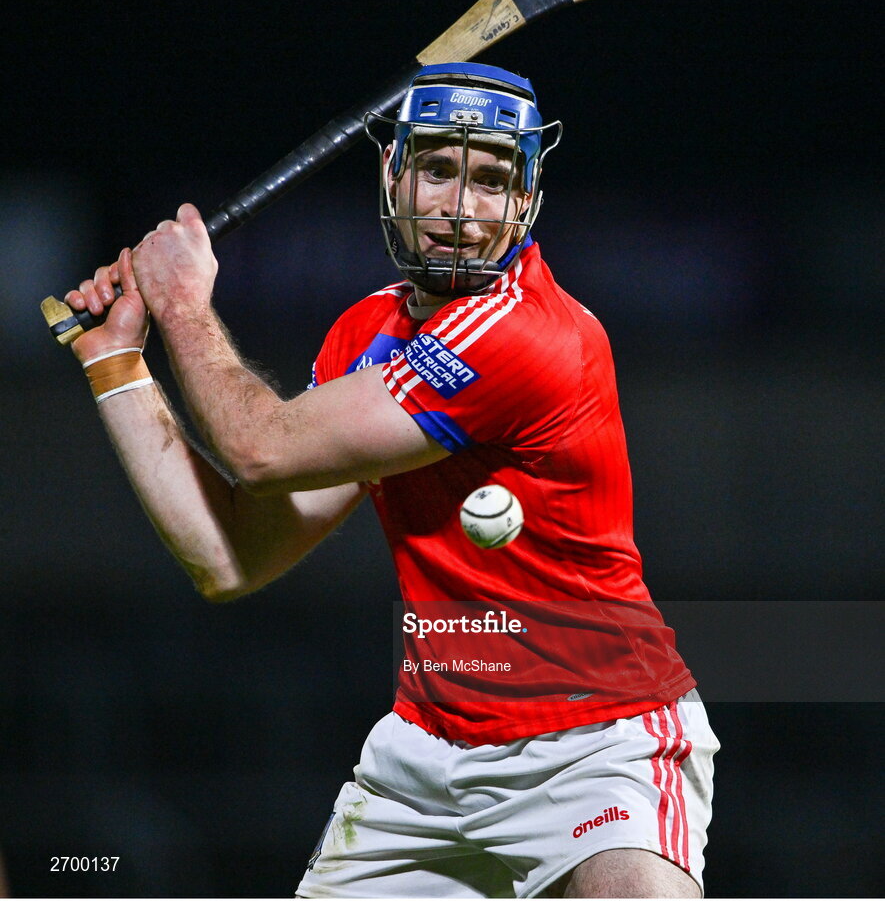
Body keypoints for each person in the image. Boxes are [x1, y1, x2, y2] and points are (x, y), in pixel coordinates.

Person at [64, 62, 719, 898]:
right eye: (439, 169)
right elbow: (231, 561)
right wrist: (116, 362)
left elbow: (258, 448)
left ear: (524, 202)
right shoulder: (365, 333)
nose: (459, 207)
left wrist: (184, 305)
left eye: (490, 181)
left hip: (597, 746)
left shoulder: (527, 336)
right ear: (393, 173)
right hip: (427, 757)